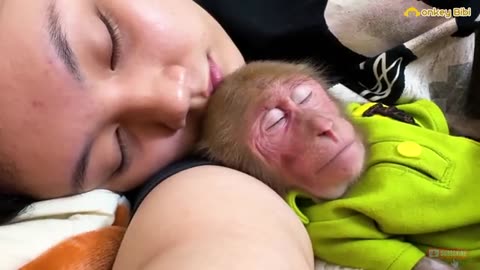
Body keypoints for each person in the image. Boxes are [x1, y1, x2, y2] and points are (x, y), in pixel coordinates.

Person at [0, 0, 477, 269]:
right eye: (119, 149)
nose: (173, 100)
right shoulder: (208, 172)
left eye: (109, 43)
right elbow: (217, 235)